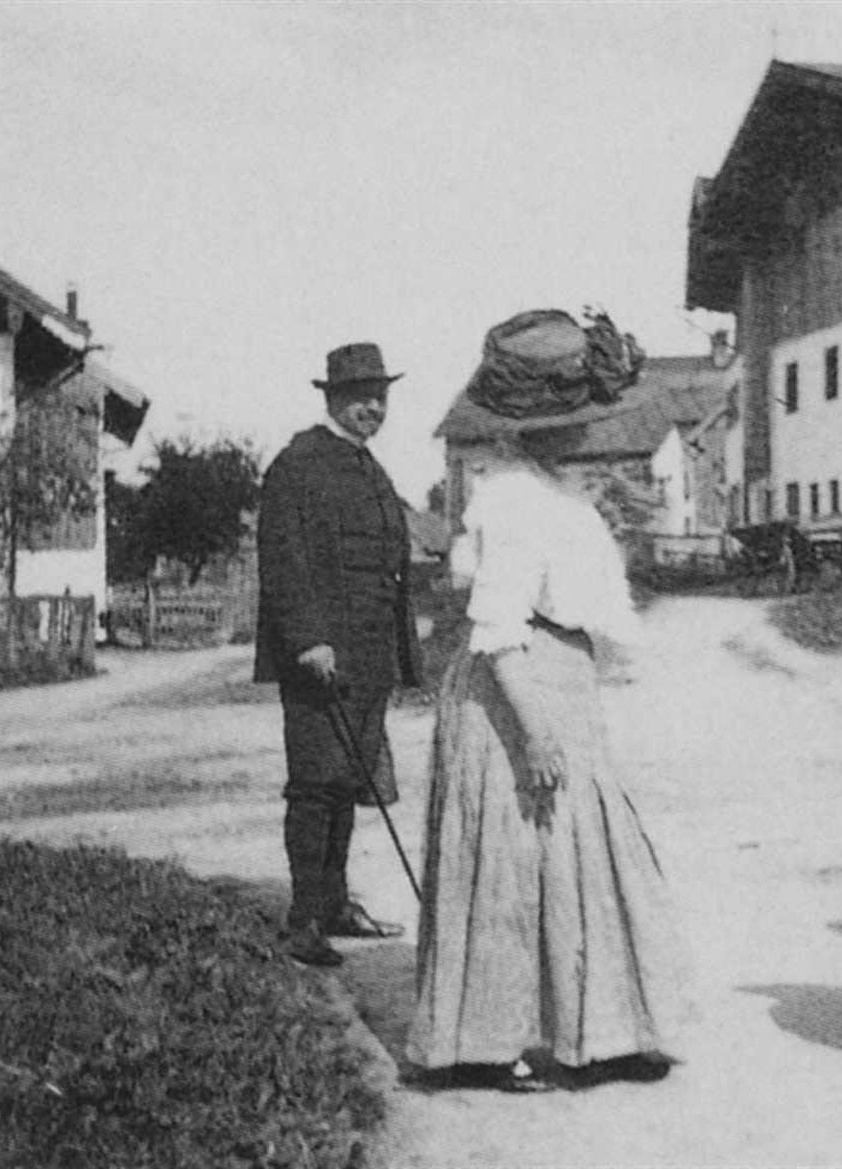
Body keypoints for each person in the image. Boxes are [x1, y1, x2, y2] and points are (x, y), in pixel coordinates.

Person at [405, 395, 690, 1094]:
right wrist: (533, 730)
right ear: (541, 425)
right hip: (517, 686)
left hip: (563, 677)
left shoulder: (559, 492)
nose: (587, 430)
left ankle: (601, 1033)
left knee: (583, 854)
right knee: (510, 861)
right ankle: (481, 1045)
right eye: (575, 417)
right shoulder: (509, 499)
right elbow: (498, 624)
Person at [256, 342, 420, 968]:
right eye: (359, 396)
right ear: (330, 397)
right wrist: (306, 641)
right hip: (322, 657)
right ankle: (302, 920)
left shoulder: (368, 467)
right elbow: (283, 559)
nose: (371, 407)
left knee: (350, 783)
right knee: (315, 785)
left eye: (379, 396)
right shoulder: (298, 464)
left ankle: (335, 904)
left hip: (371, 657)